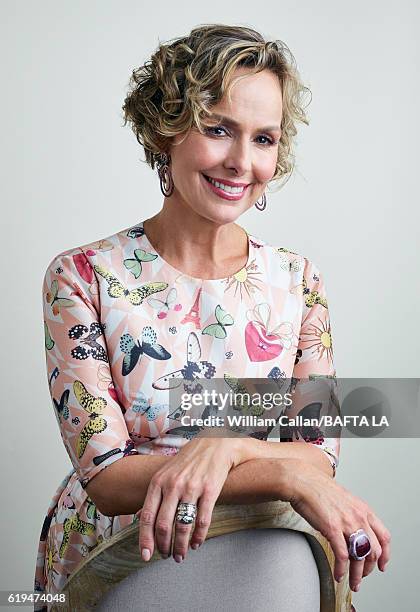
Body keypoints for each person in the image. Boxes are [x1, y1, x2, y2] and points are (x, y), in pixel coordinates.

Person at [34, 23, 390, 611]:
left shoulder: (299, 281)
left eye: (264, 139)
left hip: (259, 536)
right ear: (165, 127)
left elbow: (318, 452)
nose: (240, 161)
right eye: (218, 128)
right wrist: (282, 473)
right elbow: (107, 479)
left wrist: (227, 448)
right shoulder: (83, 276)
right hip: (123, 549)